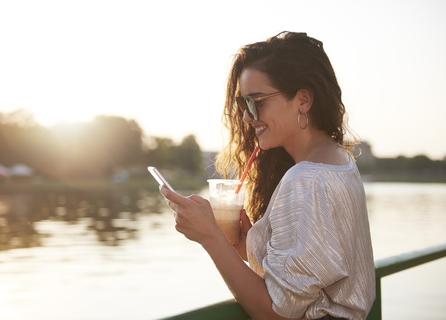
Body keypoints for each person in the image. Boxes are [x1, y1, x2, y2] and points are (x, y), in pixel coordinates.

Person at [160, 31, 375, 320]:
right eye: (243, 104)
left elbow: (274, 314)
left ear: (303, 100)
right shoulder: (339, 161)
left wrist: (210, 236)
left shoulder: (305, 180)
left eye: (256, 101)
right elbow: (318, 272)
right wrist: (250, 248)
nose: (248, 117)